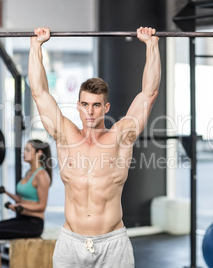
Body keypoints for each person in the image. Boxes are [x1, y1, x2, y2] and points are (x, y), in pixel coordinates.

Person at [29, 26, 160, 268]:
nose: (90, 111)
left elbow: (148, 94)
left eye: (97, 105)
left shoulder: (120, 137)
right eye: (85, 104)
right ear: (78, 106)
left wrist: (151, 45)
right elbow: (39, 93)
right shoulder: (64, 135)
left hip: (113, 244)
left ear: (106, 108)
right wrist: (36, 46)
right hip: (70, 243)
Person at [0, 139, 52, 268]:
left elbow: (42, 206)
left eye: (27, 150)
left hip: (33, 224)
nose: (23, 153)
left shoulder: (42, 175)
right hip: (21, 218)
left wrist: (21, 207)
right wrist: (6, 192)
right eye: (24, 149)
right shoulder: (28, 173)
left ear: (39, 153)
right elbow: (22, 199)